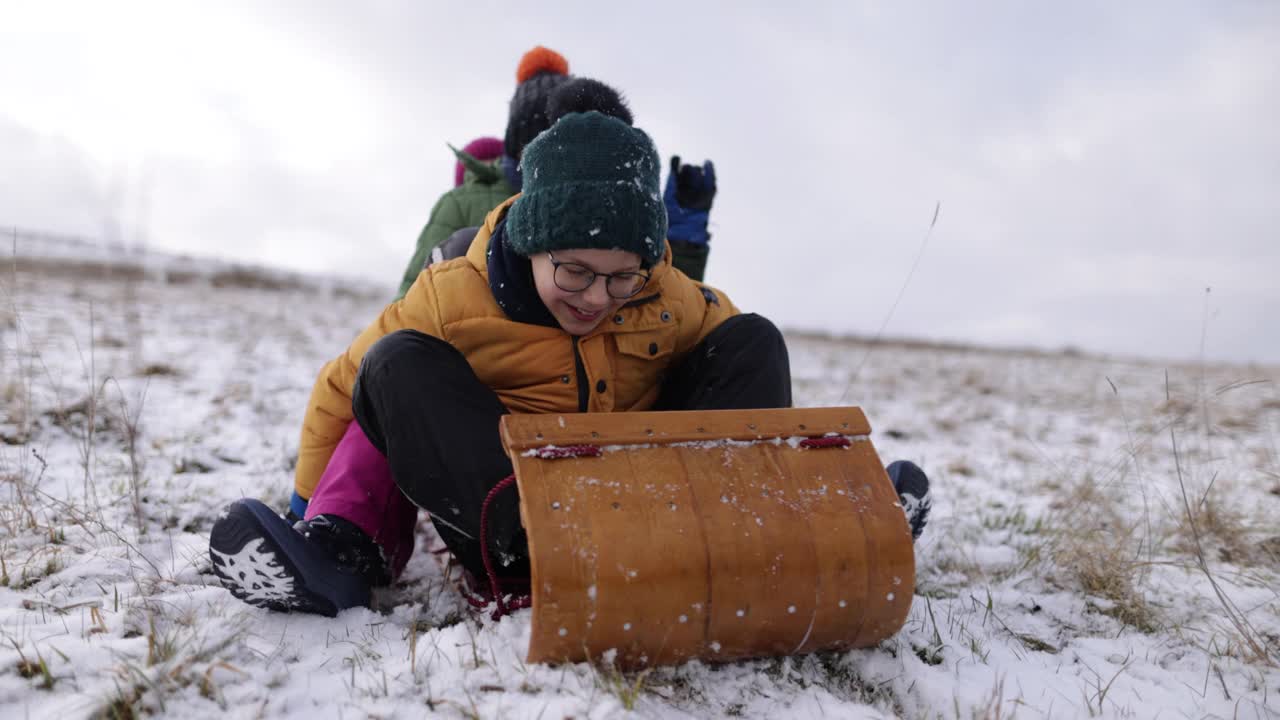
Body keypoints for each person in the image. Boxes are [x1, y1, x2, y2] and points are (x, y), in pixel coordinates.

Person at [208, 110, 798, 616]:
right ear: (531, 243)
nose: (597, 297)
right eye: (574, 272)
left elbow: (746, 367)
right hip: (520, 529)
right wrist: (311, 511)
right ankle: (359, 558)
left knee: (753, 338)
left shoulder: (669, 296)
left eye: (622, 277)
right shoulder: (450, 296)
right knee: (394, 363)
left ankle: (739, 541)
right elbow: (343, 387)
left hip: (653, 513)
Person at [396, 46, 720, 301]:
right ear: (517, 143)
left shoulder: (600, 200)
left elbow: (657, 302)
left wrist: (682, 238)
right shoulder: (462, 203)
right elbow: (413, 299)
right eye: (535, 140)